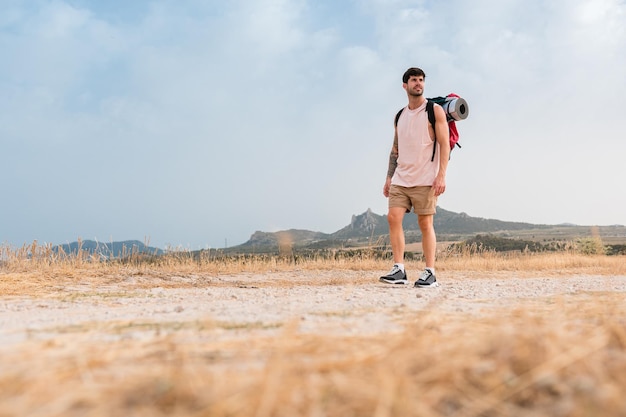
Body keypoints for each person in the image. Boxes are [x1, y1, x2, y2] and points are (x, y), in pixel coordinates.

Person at [380, 67, 450, 287]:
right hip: (401, 177)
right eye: (413, 80)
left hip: (426, 178)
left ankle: (430, 272)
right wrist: (389, 177)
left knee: (425, 223)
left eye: (421, 80)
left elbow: (444, 144)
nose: (418, 83)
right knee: (393, 217)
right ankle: (399, 269)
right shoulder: (399, 115)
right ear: (405, 85)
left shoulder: (435, 110)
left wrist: (441, 175)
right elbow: (395, 149)